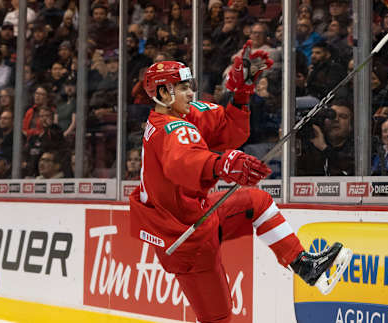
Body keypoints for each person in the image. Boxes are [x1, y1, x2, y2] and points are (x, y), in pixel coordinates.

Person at [129, 48, 351, 322]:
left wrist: (242, 94)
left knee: (257, 203)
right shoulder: (170, 129)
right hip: (187, 241)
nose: (190, 93)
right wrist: (220, 164)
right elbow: (182, 162)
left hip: (197, 217)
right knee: (218, 318)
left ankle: (304, 265)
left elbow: (229, 131)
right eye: (183, 88)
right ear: (163, 94)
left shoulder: (185, 116)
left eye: (189, 86)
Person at [296, 98, 355, 176]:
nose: (336, 119)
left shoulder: (356, 147)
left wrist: (324, 148)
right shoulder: (312, 144)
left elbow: (349, 167)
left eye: (343, 116)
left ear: (351, 126)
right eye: (331, 116)